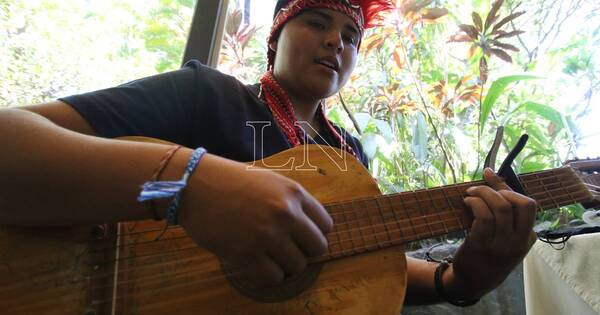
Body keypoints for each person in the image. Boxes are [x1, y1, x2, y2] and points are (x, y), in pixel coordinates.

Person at [0, 0, 537, 307]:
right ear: (275, 37)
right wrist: (183, 186)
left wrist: (460, 279)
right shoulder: (205, 96)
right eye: (317, 22)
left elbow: (361, 263)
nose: (336, 42)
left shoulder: (347, 158)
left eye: (351, 35)